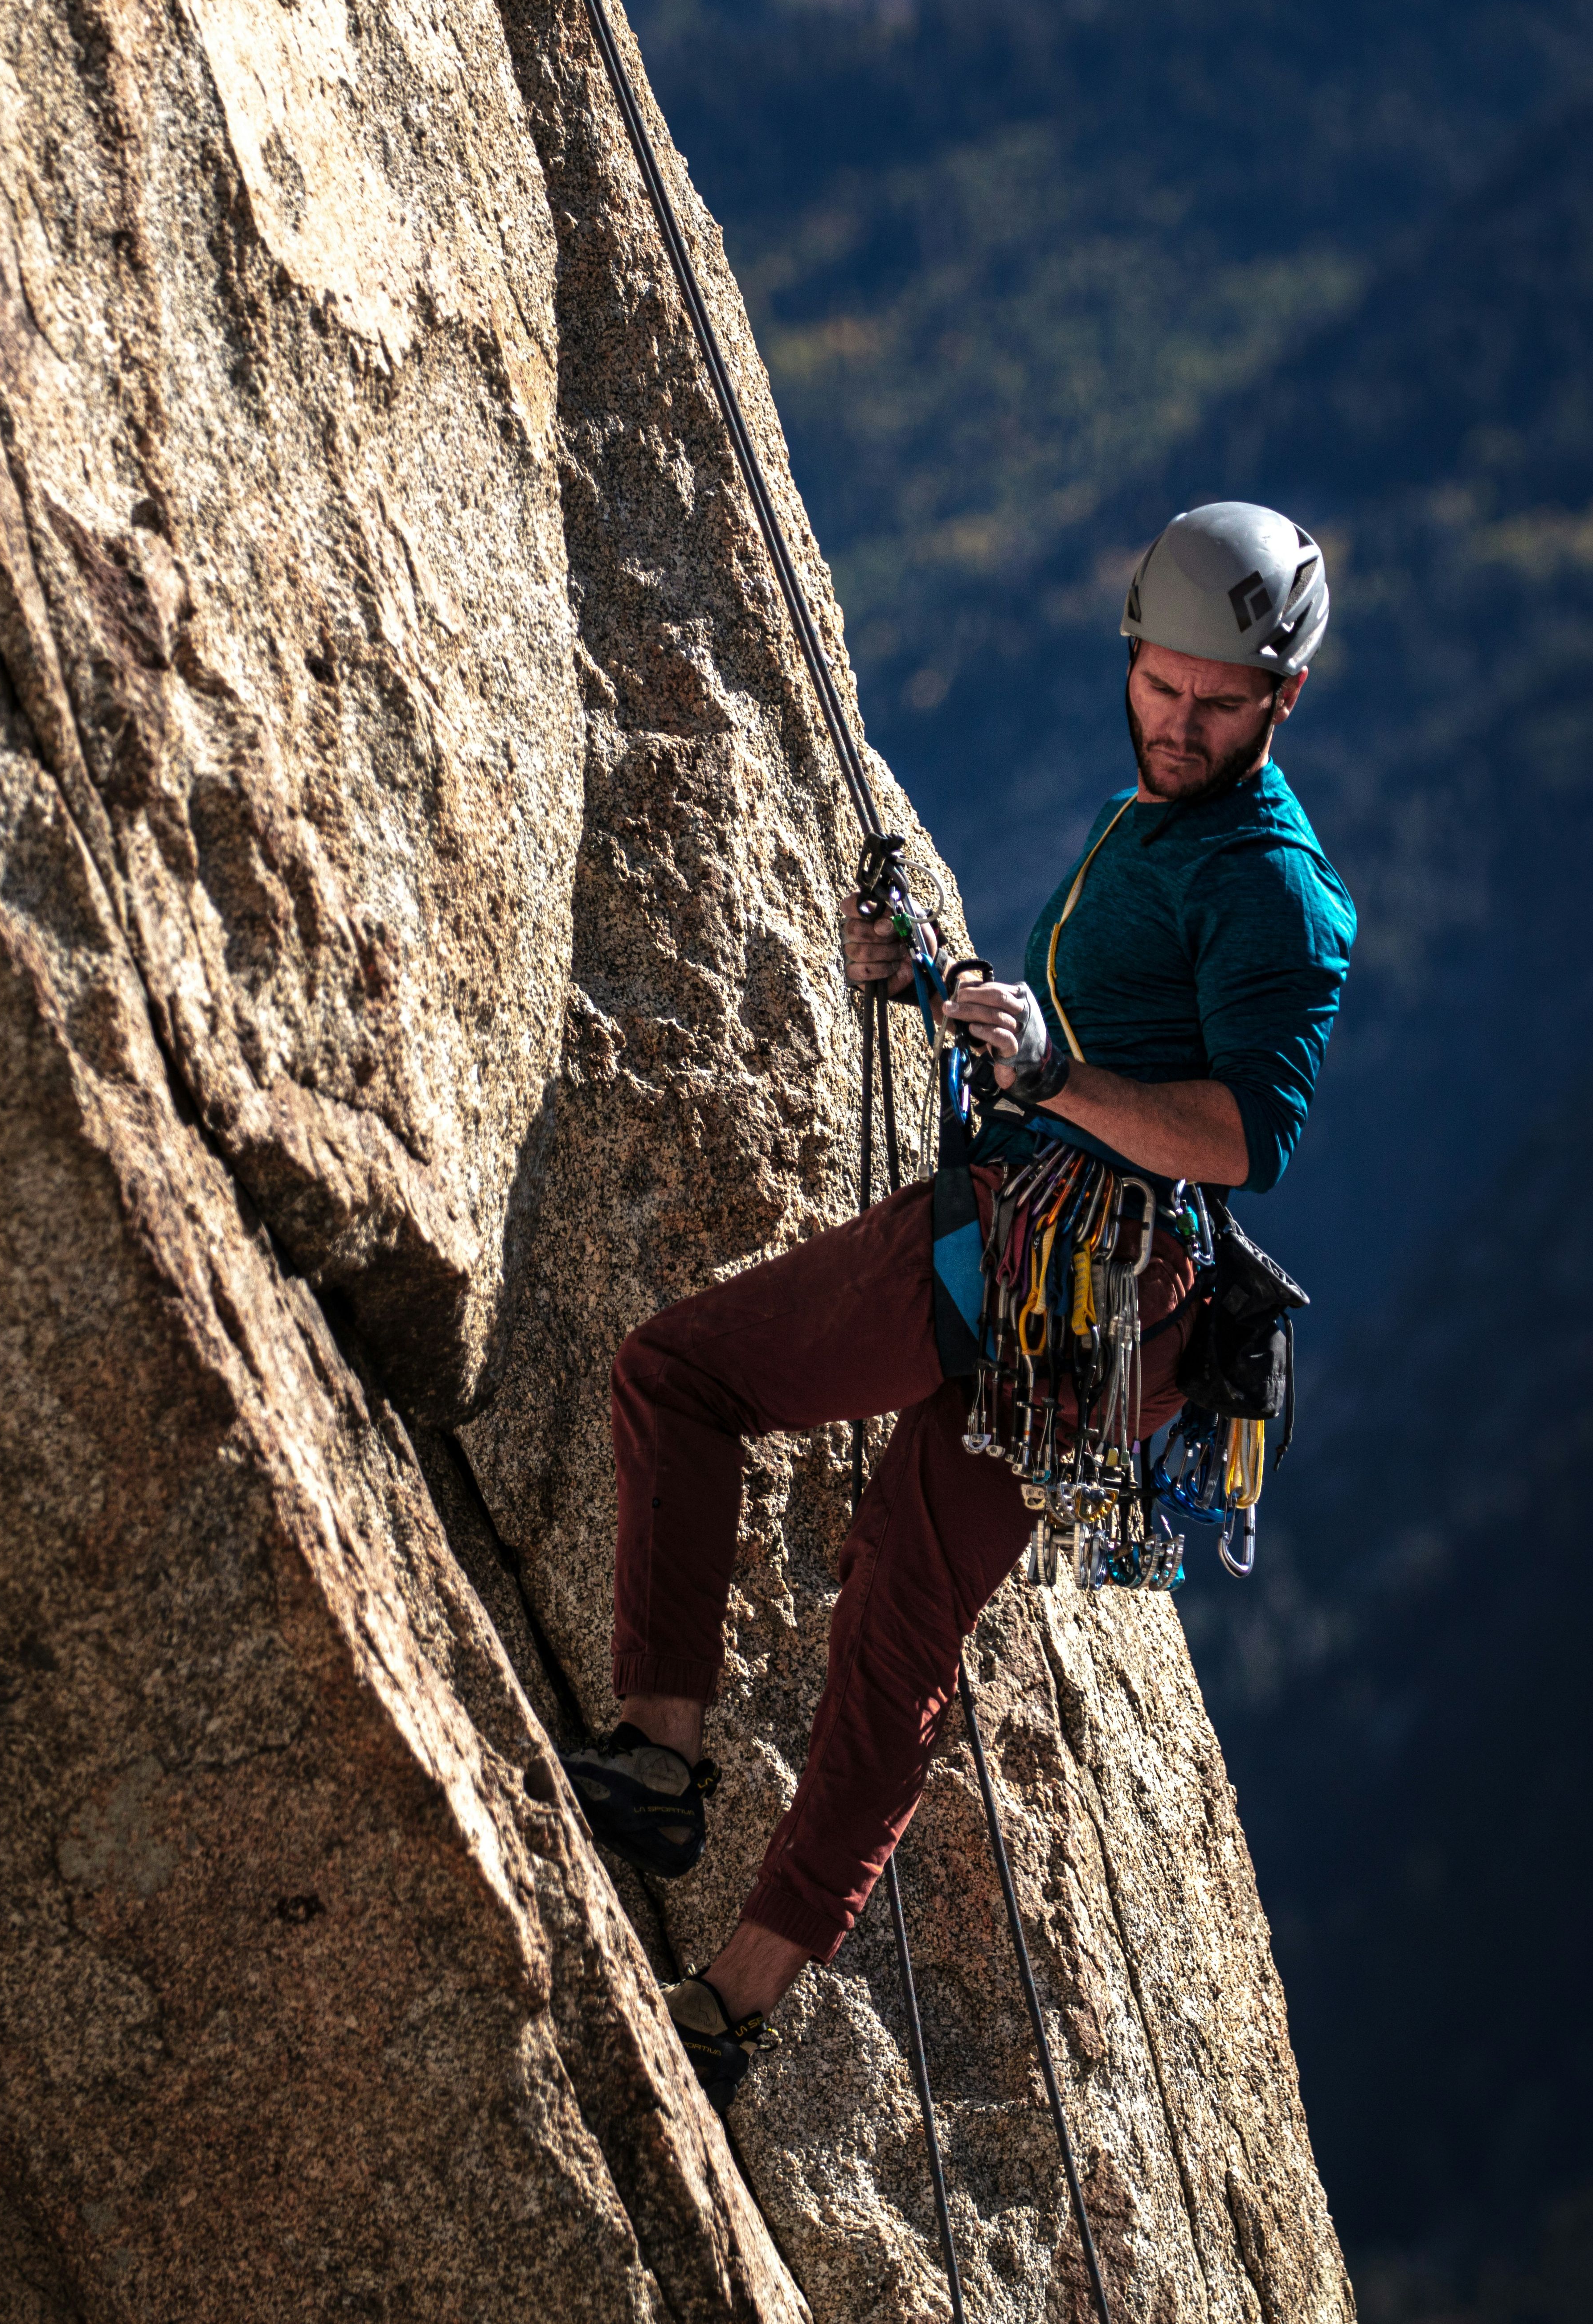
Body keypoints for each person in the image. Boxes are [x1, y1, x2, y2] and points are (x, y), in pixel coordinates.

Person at [564, 500, 1358, 2107]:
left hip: (1047, 1260)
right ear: (1134, 658)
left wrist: (1054, 1078)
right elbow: (1097, 1052)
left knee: (689, 1383)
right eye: (1163, 688)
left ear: (1282, 704)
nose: (1181, 725)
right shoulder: (1156, 824)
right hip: (1098, 1310)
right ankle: (723, 1980)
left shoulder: (1276, 893)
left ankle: (667, 1791)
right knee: (896, 1623)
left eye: (1219, 705)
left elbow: (1237, 1137)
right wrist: (935, 985)